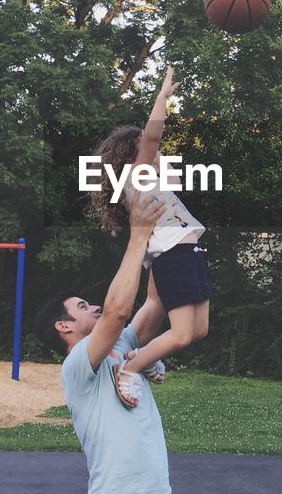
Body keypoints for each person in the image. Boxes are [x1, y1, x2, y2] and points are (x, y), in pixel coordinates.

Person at [35, 188, 174, 494]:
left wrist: (158, 241)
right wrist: (135, 233)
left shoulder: (120, 346)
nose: (92, 306)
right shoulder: (78, 367)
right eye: (80, 307)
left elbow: (153, 305)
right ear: (64, 327)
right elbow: (116, 311)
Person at [88, 65, 210, 409]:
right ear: (131, 158)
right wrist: (162, 97)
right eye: (145, 149)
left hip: (189, 251)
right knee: (182, 333)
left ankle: (143, 354)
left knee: (198, 330)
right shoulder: (136, 178)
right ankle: (131, 367)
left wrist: (159, 160)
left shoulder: (151, 178)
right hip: (175, 256)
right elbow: (153, 138)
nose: (154, 150)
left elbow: (169, 174)